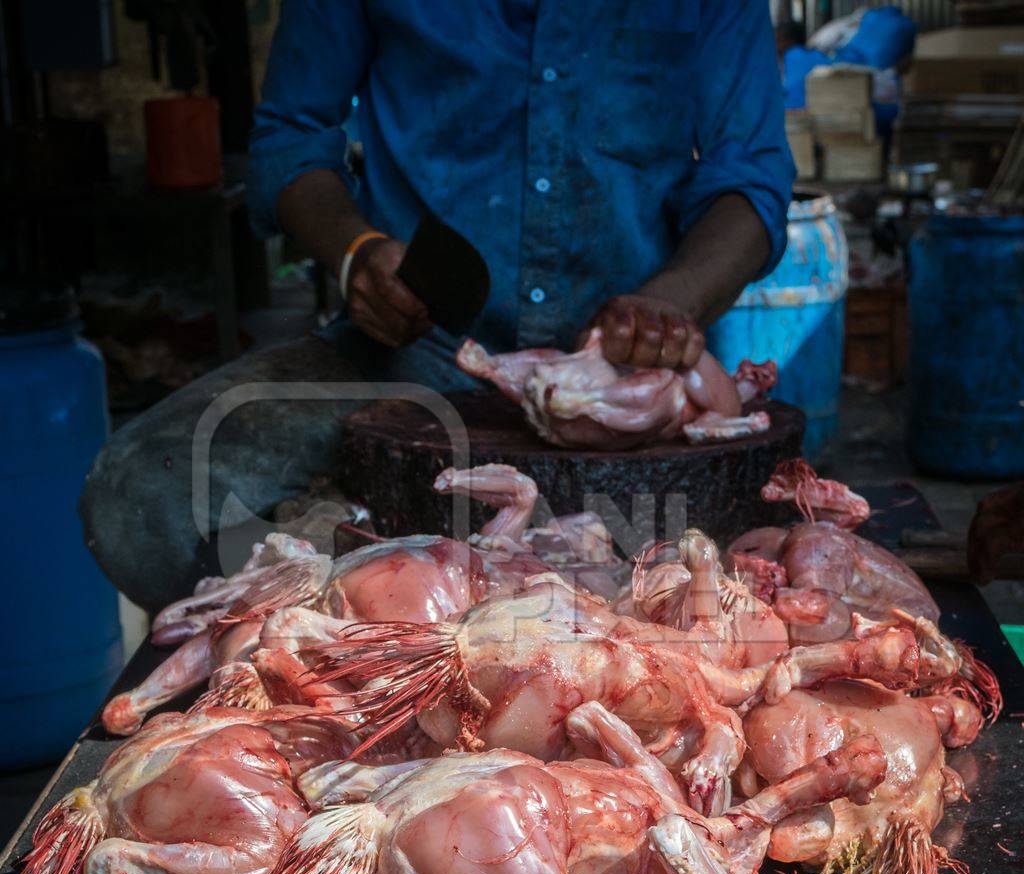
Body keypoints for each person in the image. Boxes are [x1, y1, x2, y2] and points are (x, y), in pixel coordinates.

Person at [80, 2, 795, 611]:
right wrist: (355, 250)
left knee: (737, 572)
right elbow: (292, 136)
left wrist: (669, 304)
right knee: (139, 500)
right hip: (413, 352)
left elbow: (753, 174)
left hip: (634, 384)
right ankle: (347, 656)